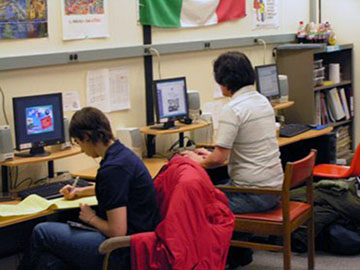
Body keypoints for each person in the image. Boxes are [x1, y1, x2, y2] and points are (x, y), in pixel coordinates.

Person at [19, 107, 160, 270]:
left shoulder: (112, 169)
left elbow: (117, 231)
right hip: (141, 244)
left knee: (41, 232)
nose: (81, 150)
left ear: (86, 137)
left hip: (122, 251)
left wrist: (91, 218)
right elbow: (116, 189)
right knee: (48, 262)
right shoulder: (122, 155)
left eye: (78, 143)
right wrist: (80, 192)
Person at [181, 51, 283, 268]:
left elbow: (219, 159)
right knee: (217, 189)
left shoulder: (233, 109)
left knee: (198, 206)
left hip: (254, 194)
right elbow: (232, 152)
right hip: (274, 189)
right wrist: (209, 156)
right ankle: (239, 255)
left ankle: (217, 262)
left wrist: (194, 160)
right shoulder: (262, 101)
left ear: (225, 83)